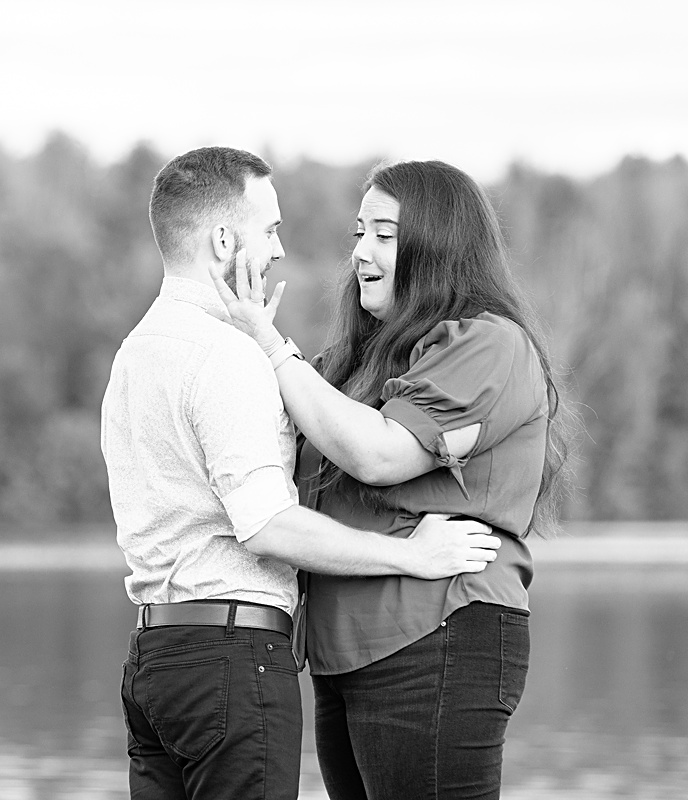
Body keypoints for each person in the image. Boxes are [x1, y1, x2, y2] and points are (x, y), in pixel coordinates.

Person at [101, 147, 504, 800]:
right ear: (225, 239)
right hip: (230, 659)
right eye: (270, 230)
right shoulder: (228, 357)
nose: (279, 251)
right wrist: (410, 555)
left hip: (154, 660)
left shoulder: (134, 355)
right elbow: (265, 525)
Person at [210, 159, 570, 799]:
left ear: (438, 247)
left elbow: (380, 455)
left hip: (437, 638)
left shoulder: (488, 344)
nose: (360, 253)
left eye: (384, 234)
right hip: (343, 658)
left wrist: (272, 347)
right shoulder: (357, 362)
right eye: (357, 234)